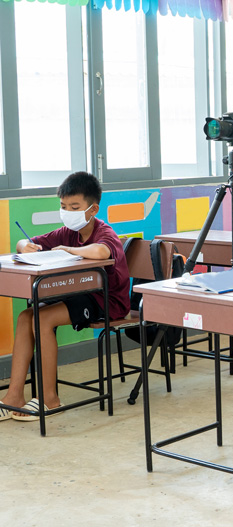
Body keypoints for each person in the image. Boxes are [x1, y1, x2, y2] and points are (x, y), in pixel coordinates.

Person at [0, 171, 130, 421]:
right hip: (78, 294)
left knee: (42, 319)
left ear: (92, 209)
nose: (67, 211)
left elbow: (102, 252)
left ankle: (50, 400)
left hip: (106, 302)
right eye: (63, 206)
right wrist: (23, 245)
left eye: (74, 206)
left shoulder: (104, 232)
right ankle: (13, 396)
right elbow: (28, 243)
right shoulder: (66, 232)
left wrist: (69, 250)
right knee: (26, 316)